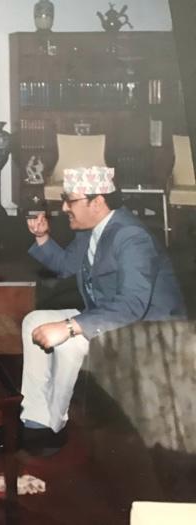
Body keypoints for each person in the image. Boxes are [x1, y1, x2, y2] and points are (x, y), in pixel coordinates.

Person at [20, 166, 186, 455]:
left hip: (149, 330)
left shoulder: (130, 236)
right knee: (34, 320)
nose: (63, 207)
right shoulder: (91, 230)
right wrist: (42, 237)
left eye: (70, 200)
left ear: (97, 202)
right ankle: (36, 419)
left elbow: (132, 305)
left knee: (70, 343)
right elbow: (66, 266)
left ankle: (53, 430)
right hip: (114, 319)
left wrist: (69, 326)